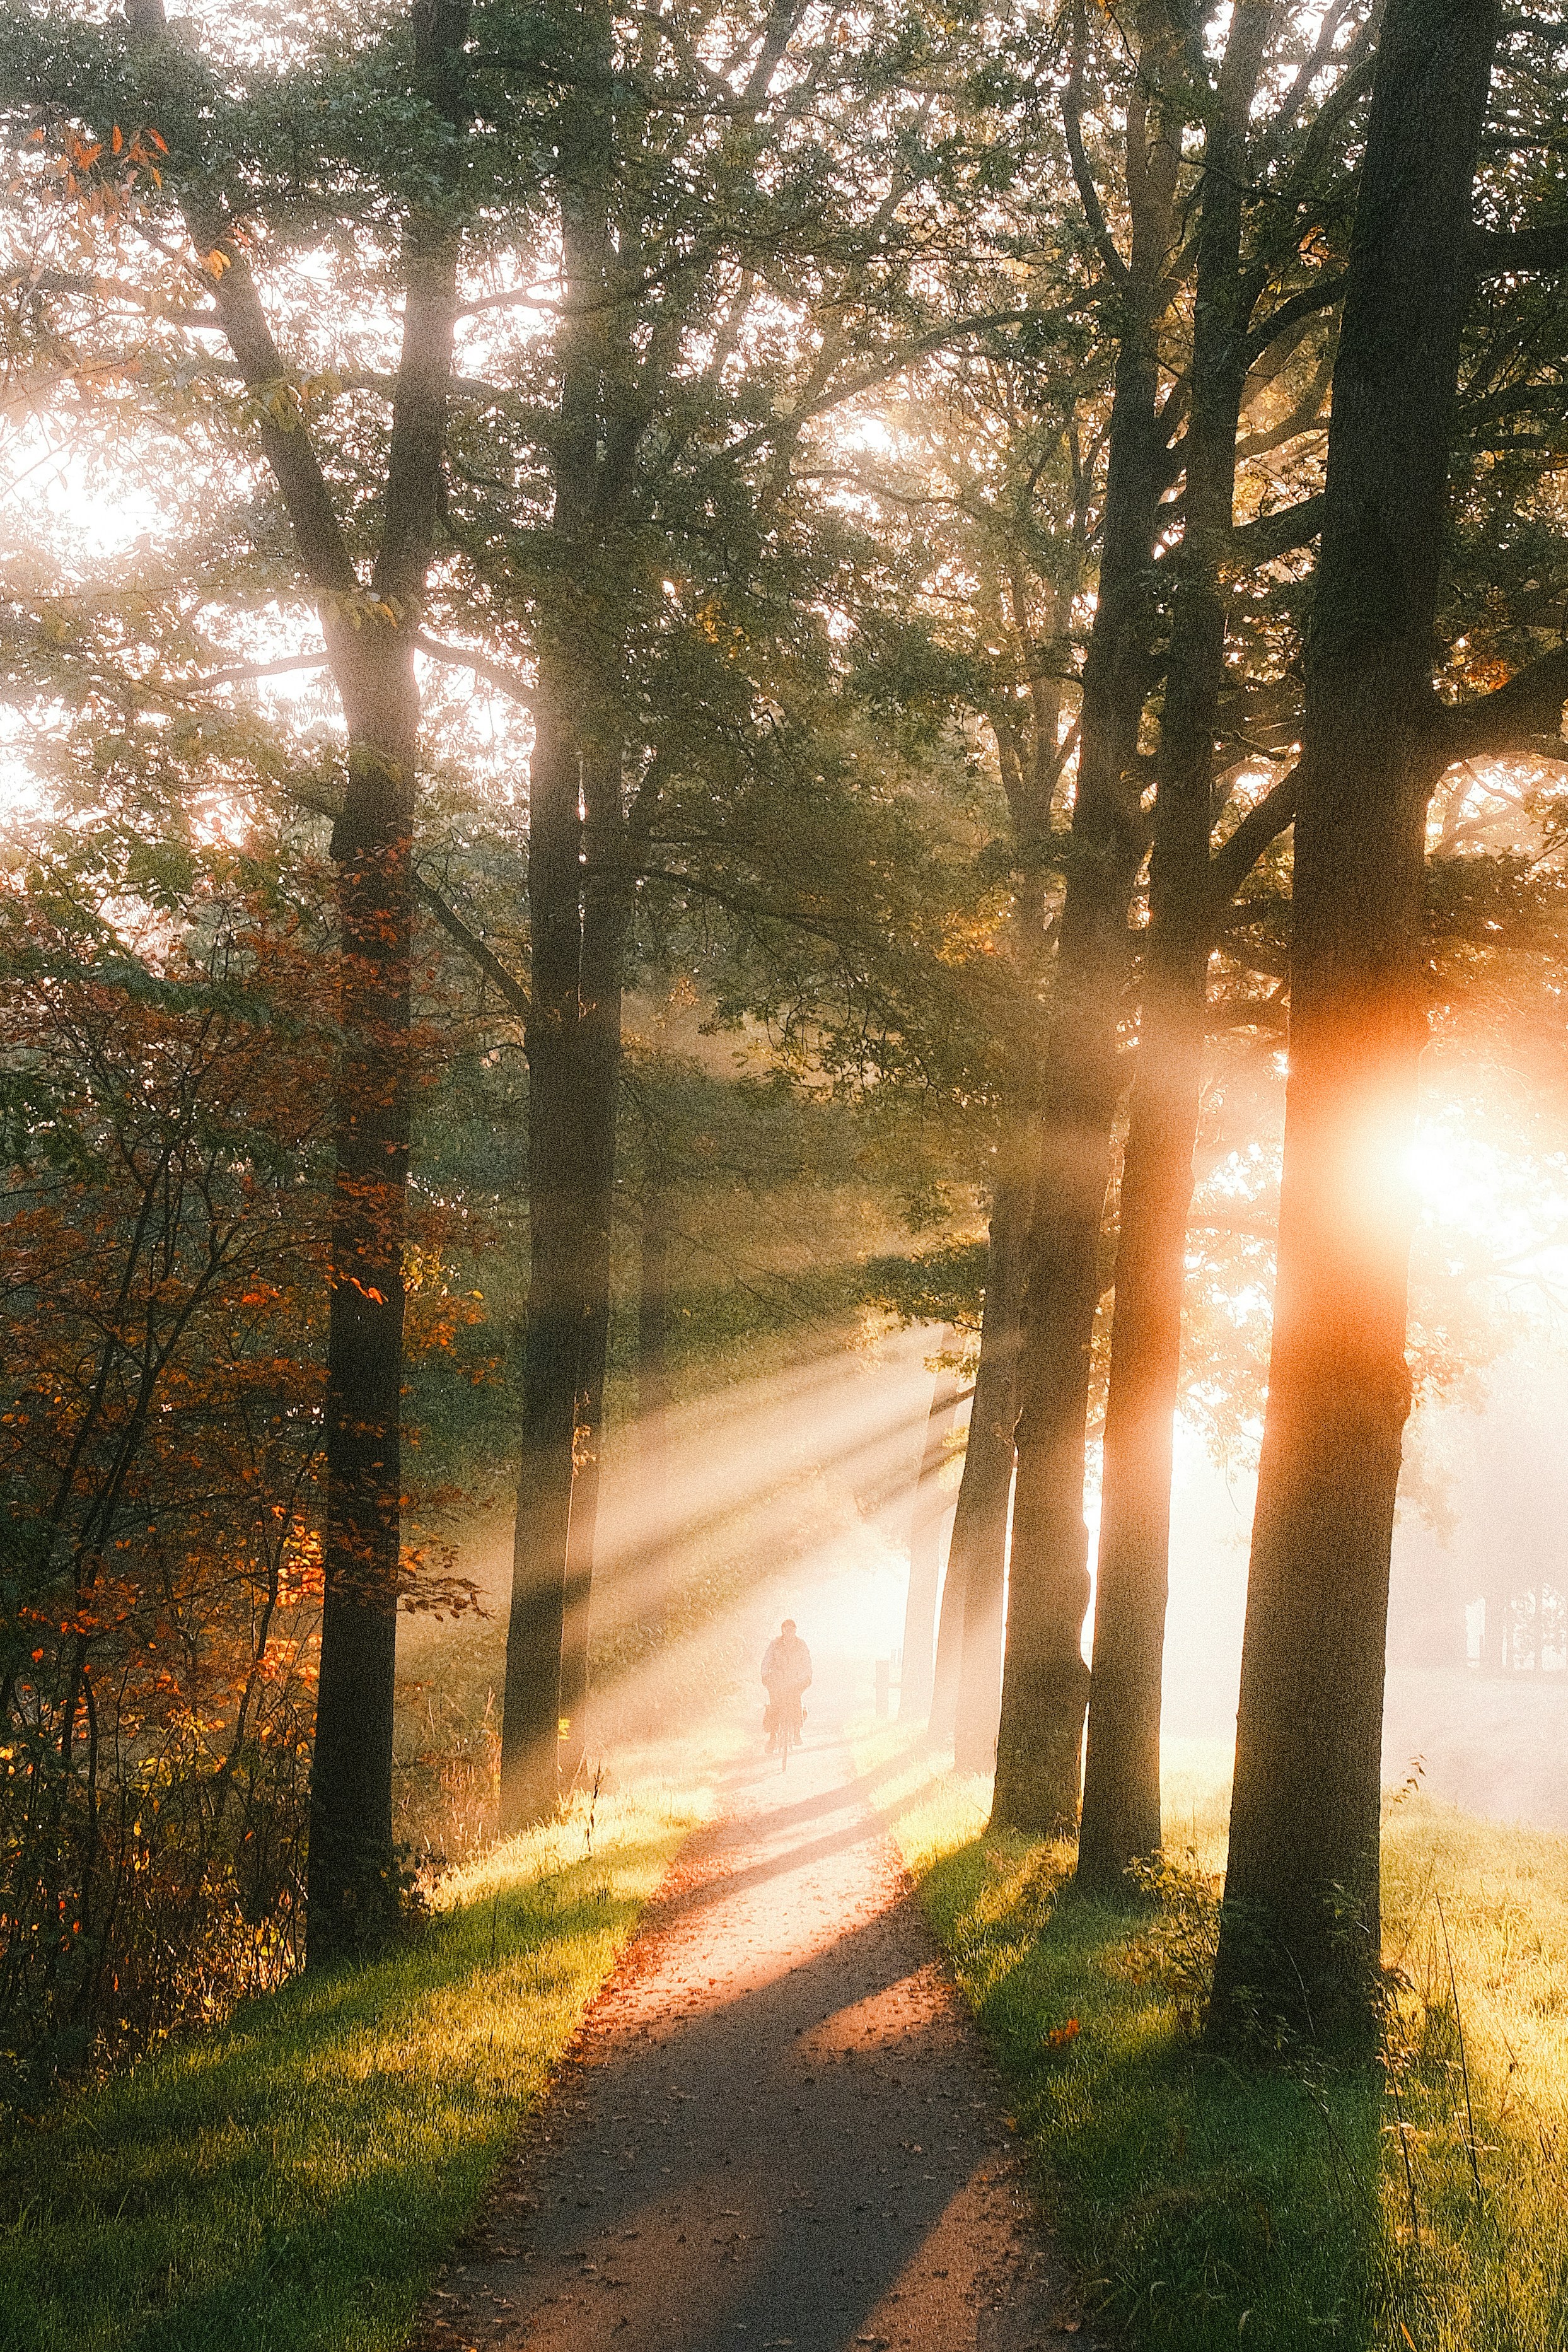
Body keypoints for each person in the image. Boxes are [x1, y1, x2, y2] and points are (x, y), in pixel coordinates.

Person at [760, 1618, 812, 1752]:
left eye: (792, 1629)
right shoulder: (775, 1644)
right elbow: (767, 1660)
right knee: (774, 1708)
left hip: (795, 1681)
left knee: (795, 1704)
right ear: (782, 1631)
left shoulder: (801, 1645)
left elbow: (807, 1663)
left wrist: (806, 1678)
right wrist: (765, 1675)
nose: (789, 1632)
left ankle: (796, 1732)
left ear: (795, 1630)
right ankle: (772, 1738)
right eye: (786, 1629)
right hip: (777, 1680)